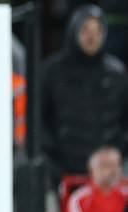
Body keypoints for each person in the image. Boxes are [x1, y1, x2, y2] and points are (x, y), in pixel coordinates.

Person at [42, 4, 128, 185]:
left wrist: (116, 157)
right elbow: (40, 123)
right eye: (86, 30)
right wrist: (53, 166)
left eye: (98, 31)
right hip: (63, 174)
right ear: (74, 31)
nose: (92, 37)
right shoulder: (52, 72)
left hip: (109, 177)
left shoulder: (117, 74)